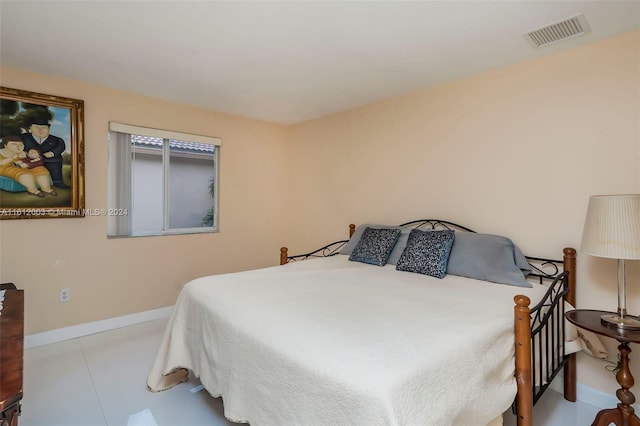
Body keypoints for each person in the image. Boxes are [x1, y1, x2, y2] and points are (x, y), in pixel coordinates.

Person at [21, 118, 68, 188]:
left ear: (49, 128)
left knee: (55, 168)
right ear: (30, 127)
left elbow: (61, 147)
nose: (40, 130)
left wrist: (52, 153)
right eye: (36, 127)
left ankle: (57, 182)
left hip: (51, 161)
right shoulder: (24, 137)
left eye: (43, 128)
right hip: (31, 160)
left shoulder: (56, 140)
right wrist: (21, 152)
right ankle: (31, 183)